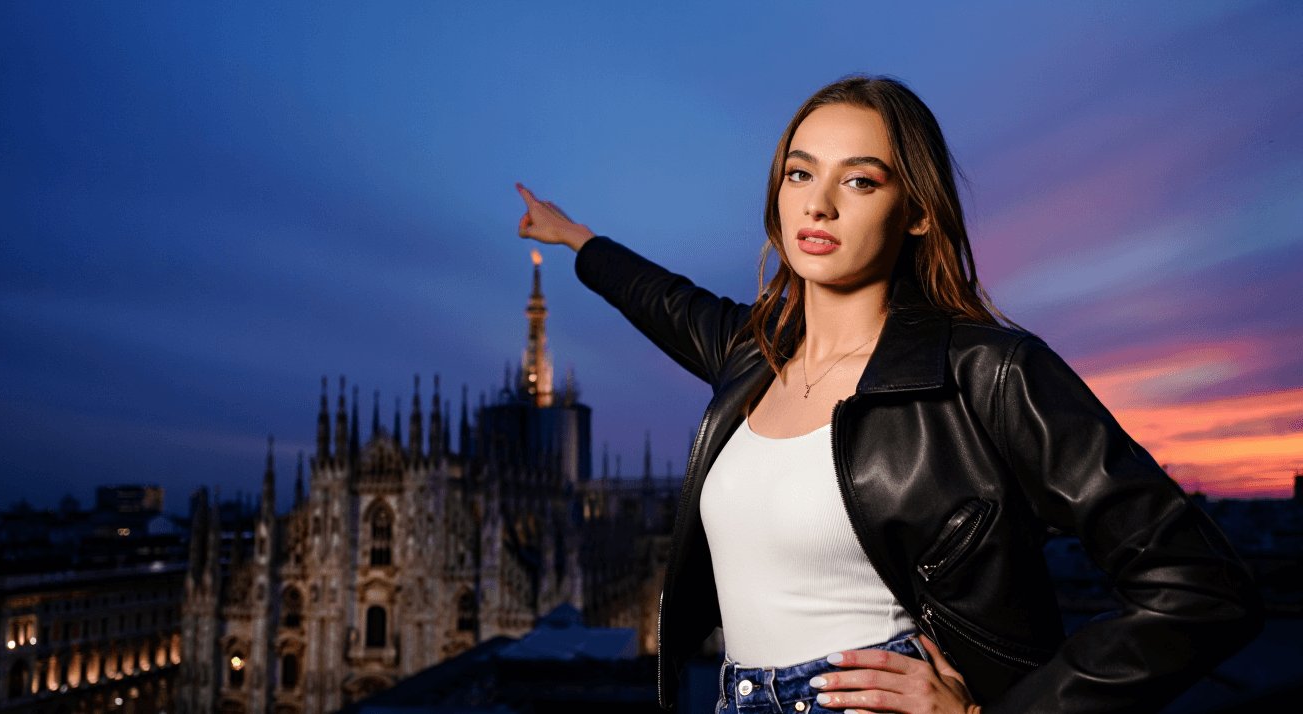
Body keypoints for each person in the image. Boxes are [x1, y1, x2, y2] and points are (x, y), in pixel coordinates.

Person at [514, 75, 1261, 713]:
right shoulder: (753, 351)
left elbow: (1202, 587)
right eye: (800, 174)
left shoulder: (989, 372)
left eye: (860, 180)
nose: (819, 204)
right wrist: (576, 238)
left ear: (918, 211)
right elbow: (662, 299)